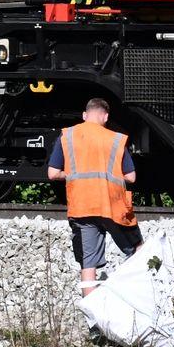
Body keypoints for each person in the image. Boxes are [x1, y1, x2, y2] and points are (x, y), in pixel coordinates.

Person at [47, 97, 140, 294]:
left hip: (82, 207)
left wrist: (70, 174)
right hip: (113, 207)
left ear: (84, 115)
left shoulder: (67, 136)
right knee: (138, 250)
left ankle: (93, 322)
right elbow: (131, 177)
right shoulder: (115, 139)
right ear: (105, 117)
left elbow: (53, 174)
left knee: (88, 265)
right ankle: (143, 298)